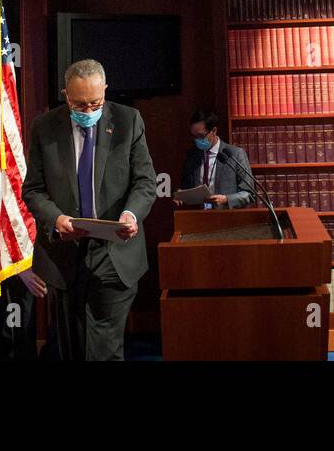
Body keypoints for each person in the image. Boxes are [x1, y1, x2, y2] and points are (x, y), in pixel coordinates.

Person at [21, 59, 157, 361]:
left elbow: (146, 182)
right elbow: (32, 189)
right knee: (74, 347)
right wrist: (57, 218)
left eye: (95, 103)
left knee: (104, 349)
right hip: (65, 254)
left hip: (115, 251)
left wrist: (130, 214)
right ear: (66, 95)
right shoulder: (44, 127)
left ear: (105, 91)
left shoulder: (128, 121)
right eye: (79, 105)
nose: (88, 111)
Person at [175, 109, 255, 210]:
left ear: (214, 131)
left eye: (201, 136)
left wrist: (226, 199)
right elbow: (185, 187)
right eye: (194, 137)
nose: (197, 140)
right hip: (198, 218)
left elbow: (249, 194)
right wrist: (181, 195)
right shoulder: (191, 156)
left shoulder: (235, 154)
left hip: (226, 218)